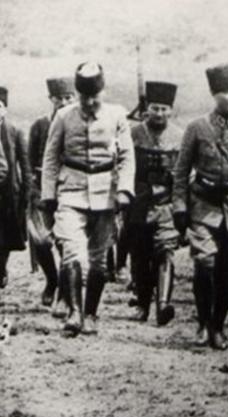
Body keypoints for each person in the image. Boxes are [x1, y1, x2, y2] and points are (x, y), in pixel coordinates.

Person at [172, 62, 228, 350]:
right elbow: (180, 171)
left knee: (227, 271)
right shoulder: (197, 128)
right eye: (226, 92)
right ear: (214, 94)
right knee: (204, 263)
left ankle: (218, 326)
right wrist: (179, 206)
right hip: (204, 205)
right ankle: (202, 321)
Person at [40, 62, 136, 335]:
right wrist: (48, 195)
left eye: (95, 96)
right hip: (71, 190)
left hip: (106, 193)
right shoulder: (63, 116)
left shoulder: (117, 115)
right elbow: (50, 158)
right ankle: (74, 313)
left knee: (97, 260)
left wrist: (125, 190)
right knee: (72, 251)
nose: (90, 102)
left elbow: (128, 156)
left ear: (103, 91)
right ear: (78, 94)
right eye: (84, 97)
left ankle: (91, 313)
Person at [128, 81, 183, 325]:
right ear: (146, 109)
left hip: (166, 203)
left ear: (171, 111)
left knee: (166, 250)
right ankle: (142, 303)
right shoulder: (133, 133)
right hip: (139, 202)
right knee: (140, 254)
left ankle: (163, 304)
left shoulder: (180, 136)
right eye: (155, 108)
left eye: (164, 109)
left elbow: (185, 173)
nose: (159, 114)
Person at [28, 77, 76, 315]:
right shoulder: (40, 125)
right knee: (41, 240)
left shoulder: (78, 124)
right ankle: (52, 279)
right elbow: (29, 161)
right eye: (60, 98)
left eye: (69, 98)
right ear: (51, 100)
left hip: (68, 189)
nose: (65, 102)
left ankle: (64, 295)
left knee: (66, 242)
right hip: (41, 189)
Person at [0, 87, 32, 291]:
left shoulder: (14, 131)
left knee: (4, 237)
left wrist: (26, 193)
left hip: (8, 194)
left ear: (4, 110)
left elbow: (25, 164)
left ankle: (1, 267)